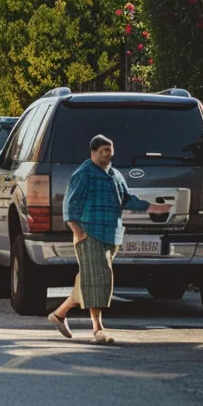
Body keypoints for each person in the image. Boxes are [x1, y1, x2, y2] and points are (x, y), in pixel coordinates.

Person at [48, 134, 169, 343]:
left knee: (89, 280)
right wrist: (77, 230)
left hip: (111, 235)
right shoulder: (84, 173)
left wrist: (152, 208)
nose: (107, 154)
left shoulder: (115, 175)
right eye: (103, 150)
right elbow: (70, 203)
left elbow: (126, 199)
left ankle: (58, 315)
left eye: (109, 150)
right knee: (100, 279)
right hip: (89, 234)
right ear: (93, 151)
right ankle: (98, 329)